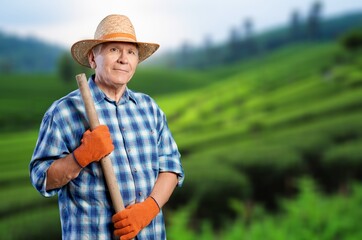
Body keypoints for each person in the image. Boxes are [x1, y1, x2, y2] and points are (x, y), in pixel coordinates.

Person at [29, 14, 184, 240]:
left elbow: (171, 166)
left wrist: (149, 208)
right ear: (93, 58)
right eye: (114, 50)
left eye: (131, 52)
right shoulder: (64, 112)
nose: (124, 59)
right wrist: (80, 157)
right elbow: (41, 179)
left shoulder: (149, 108)